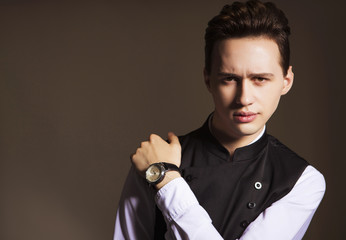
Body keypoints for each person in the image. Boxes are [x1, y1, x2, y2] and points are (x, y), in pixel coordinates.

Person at [113, 0, 326, 239]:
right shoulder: (152, 158)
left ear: (286, 81)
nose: (244, 98)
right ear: (208, 79)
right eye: (229, 79)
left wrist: (167, 180)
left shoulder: (302, 180)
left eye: (260, 79)